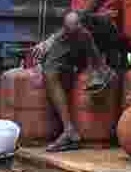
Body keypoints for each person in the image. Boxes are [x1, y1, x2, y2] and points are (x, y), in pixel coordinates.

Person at [33, 2, 119, 152]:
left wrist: (52, 39)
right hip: (74, 30)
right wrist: (48, 43)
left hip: (103, 26)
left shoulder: (77, 20)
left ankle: (99, 67)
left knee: (74, 20)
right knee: (50, 69)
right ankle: (69, 131)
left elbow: (84, 12)